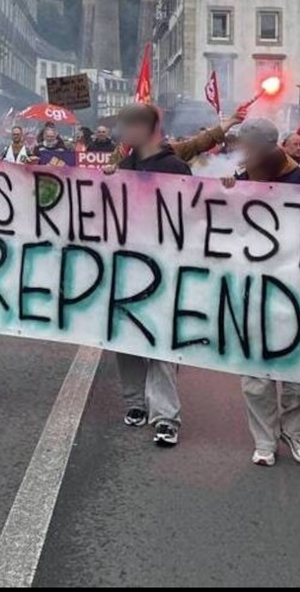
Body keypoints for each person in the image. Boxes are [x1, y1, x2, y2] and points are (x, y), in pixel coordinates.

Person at [222, 118, 300, 466]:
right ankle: (264, 439)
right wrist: (224, 193)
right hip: (252, 288)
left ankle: (298, 433)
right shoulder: (240, 181)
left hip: (295, 289)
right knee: (255, 372)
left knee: (298, 370)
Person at [107, 102, 191, 448]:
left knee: (160, 340)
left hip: (163, 266)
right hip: (126, 266)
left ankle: (166, 416)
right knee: (124, 338)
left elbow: (191, 215)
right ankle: (135, 402)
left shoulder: (175, 167)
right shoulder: (123, 167)